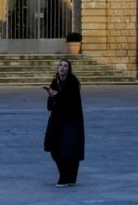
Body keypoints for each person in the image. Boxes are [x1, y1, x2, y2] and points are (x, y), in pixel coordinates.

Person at [43, 59, 85, 187]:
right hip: (57, 121)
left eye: (65, 66)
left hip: (70, 121)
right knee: (54, 149)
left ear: (69, 69)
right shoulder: (55, 82)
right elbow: (50, 106)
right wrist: (51, 96)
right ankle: (68, 177)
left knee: (68, 149)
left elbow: (70, 102)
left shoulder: (72, 82)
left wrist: (57, 95)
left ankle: (66, 178)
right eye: (60, 65)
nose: (62, 67)